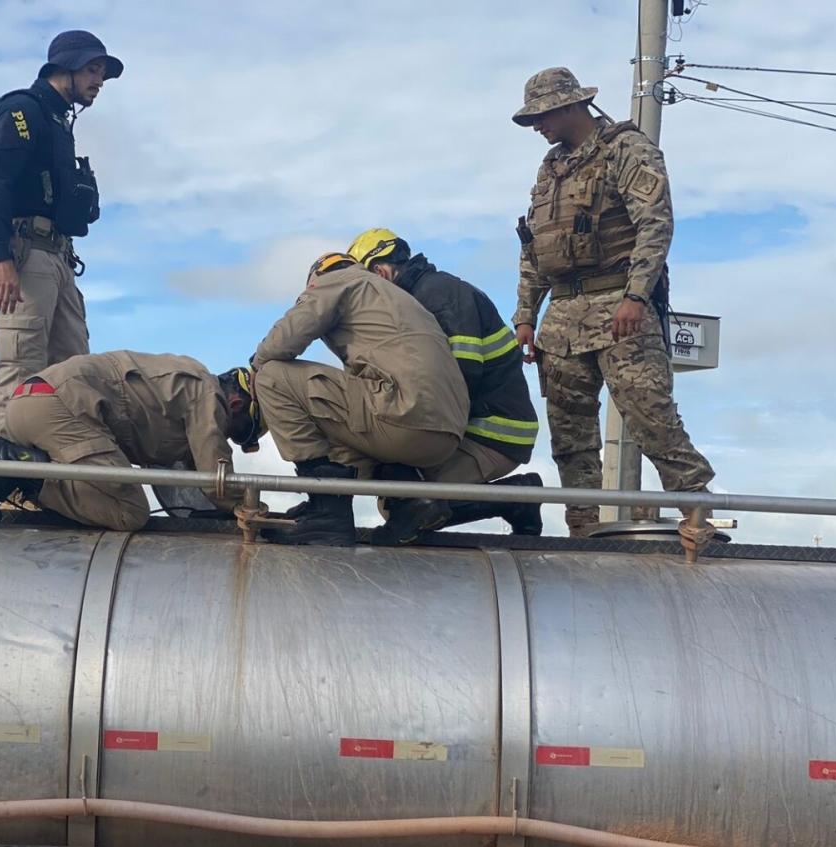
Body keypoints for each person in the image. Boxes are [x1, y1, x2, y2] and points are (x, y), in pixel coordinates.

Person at [510, 67, 714, 540]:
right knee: (570, 432)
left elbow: (655, 224)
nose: (537, 126)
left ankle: (695, 512)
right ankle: (583, 526)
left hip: (620, 305)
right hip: (562, 318)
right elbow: (535, 247)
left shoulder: (627, 149)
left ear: (567, 107)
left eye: (541, 116)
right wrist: (525, 315)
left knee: (649, 414)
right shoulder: (551, 169)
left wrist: (636, 296)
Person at [0, 30, 123, 452]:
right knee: (20, 367)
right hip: (26, 252)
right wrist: (1, 257)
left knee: (75, 372)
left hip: (58, 256)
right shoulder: (23, 110)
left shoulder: (59, 120)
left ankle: (56, 482)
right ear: (67, 66)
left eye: (102, 74)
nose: (99, 81)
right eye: (93, 70)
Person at [251, 254, 469, 547]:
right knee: (337, 413)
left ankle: (328, 511)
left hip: (403, 415)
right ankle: (408, 500)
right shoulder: (396, 297)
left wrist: (255, 367)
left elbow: (284, 340)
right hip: (445, 435)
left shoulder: (337, 280)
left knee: (272, 376)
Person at [347, 228, 543, 543]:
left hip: (493, 432)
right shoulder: (418, 299)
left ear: (380, 271)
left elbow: (459, 379)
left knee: (413, 507)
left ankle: (518, 498)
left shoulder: (441, 295)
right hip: (474, 423)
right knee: (396, 498)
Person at [0, 352, 264, 531]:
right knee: (130, 512)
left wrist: (223, 514)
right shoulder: (208, 395)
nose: (228, 437)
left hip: (28, 401)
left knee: (106, 489)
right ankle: (13, 470)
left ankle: (12, 462)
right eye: (238, 433)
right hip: (57, 406)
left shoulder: (179, 393)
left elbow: (190, 484)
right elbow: (216, 476)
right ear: (236, 404)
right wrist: (252, 510)